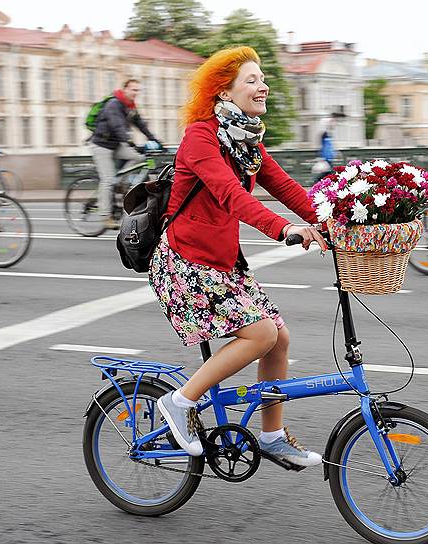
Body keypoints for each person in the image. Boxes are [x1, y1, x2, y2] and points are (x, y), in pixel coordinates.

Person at [150, 46, 327, 467]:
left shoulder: (245, 141)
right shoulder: (200, 137)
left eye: (261, 78)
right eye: (251, 80)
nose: (262, 85)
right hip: (185, 263)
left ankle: (271, 435)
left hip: (223, 263)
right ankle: (180, 401)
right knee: (261, 334)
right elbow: (230, 197)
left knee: (278, 339)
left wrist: (339, 219)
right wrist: (283, 228)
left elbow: (286, 187)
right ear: (224, 92)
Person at [89, 79, 161, 229]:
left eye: (137, 90)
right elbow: (117, 126)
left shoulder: (130, 107)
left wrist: (156, 140)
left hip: (116, 145)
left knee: (139, 158)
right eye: (133, 90)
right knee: (107, 179)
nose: (136, 93)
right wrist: (129, 141)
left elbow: (140, 124)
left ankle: (120, 180)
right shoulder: (114, 104)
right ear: (125, 89)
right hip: (101, 146)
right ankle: (105, 215)